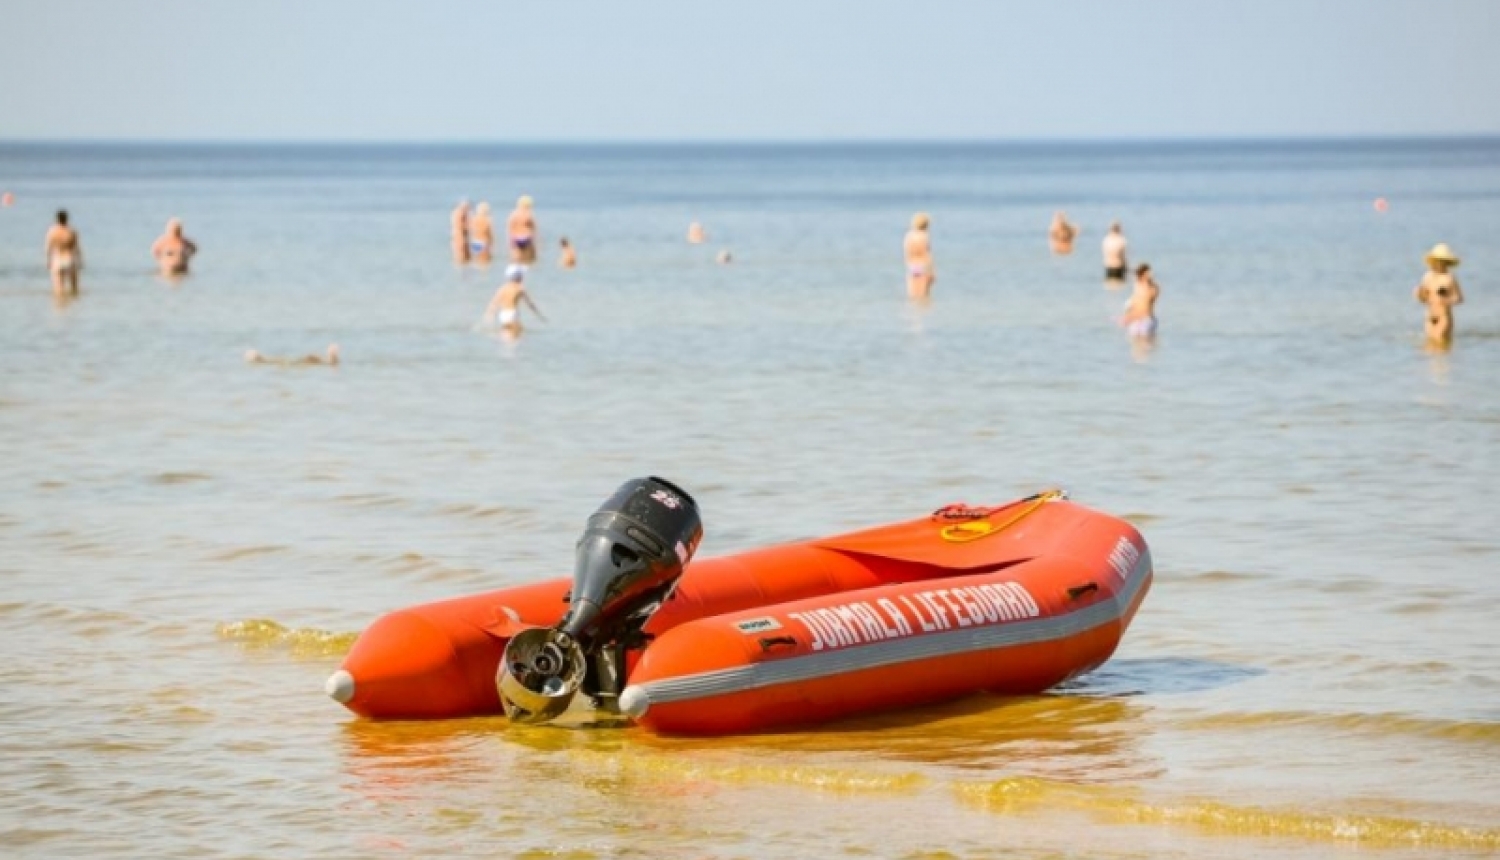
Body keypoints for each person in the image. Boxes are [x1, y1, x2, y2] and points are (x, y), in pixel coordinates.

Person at [1415, 243, 1465, 348]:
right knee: (1429, 346)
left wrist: (1447, 300)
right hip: (1430, 316)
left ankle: (1446, 362)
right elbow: (1424, 299)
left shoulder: (1449, 278)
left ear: (1446, 263)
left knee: (1440, 341)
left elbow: (1459, 298)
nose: (1439, 264)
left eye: (1442, 261)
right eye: (1437, 261)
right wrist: (1420, 294)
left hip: (1444, 317)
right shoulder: (1427, 276)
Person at [483, 264, 546, 336]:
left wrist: (489, 314)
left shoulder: (503, 288)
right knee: (516, 336)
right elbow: (530, 304)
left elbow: (494, 302)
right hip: (513, 314)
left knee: (506, 334)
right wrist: (540, 316)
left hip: (502, 314)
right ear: (519, 277)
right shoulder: (520, 288)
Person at [45, 210, 83, 297]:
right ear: (67, 219)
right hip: (70, 259)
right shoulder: (72, 231)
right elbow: (77, 248)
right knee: (74, 287)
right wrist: (80, 261)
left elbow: (48, 248)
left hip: (57, 260)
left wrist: (48, 260)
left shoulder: (52, 232)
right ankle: (73, 306)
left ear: (57, 219)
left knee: (58, 288)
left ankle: (60, 306)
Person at [1121, 263, 1159, 340]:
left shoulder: (1153, 289)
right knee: (1135, 346)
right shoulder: (1137, 286)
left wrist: (1130, 317)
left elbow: (1145, 308)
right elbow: (1134, 304)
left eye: (1150, 273)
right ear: (1142, 274)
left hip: (1146, 319)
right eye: (1148, 273)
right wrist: (1128, 316)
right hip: (1135, 320)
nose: (1151, 275)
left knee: (1145, 344)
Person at [903, 212, 934, 299]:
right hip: (923, 265)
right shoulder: (924, 236)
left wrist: (908, 264)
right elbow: (927, 254)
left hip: (912, 265)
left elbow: (906, 253)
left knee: (912, 294)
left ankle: (913, 311)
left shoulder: (908, 236)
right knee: (924, 294)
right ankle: (924, 311)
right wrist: (932, 271)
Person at [245, 344, 341, 367]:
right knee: (281, 361)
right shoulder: (330, 362)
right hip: (305, 361)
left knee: (280, 361)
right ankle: (258, 358)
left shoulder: (331, 362)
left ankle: (258, 358)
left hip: (304, 361)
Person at [507, 195, 538, 264]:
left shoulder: (513, 214)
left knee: (516, 260)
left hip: (516, 238)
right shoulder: (529, 214)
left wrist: (510, 243)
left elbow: (510, 229)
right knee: (529, 260)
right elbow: (534, 229)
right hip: (526, 237)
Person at [1102, 221, 1129, 288]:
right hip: (1118, 266)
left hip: (1108, 266)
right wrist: (1127, 267)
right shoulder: (1121, 240)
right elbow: (1123, 256)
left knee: (1110, 286)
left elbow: (1105, 253)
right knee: (1119, 286)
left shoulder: (1106, 240)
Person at [451, 200, 471, 264]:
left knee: (461, 255)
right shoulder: (460, 213)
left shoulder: (456, 212)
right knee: (462, 255)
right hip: (460, 236)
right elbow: (460, 226)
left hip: (458, 236)